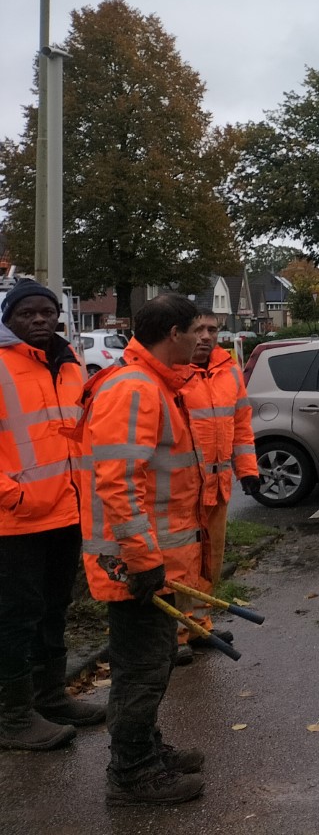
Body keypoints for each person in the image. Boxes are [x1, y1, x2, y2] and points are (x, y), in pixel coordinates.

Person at [80, 293, 207, 805]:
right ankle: (132, 775)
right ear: (172, 333)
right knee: (141, 667)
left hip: (147, 556)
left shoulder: (150, 381)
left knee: (151, 664)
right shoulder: (135, 388)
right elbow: (118, 481)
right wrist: (143, 558)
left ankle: (146, 750)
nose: (204, 340)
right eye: (195, 330)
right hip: (133, 562)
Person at [0, 279, 101, 753]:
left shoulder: (68, 365)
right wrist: (13, 496)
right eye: (27, 314)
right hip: (14, 521)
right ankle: (13, 717)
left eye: (47, 312)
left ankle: (51, 697)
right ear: (9, 319)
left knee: (53, 610)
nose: (39, 320)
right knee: (15, 618)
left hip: (65, 512)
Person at [174, 311, 259, 663]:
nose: (206, 336)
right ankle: (174, 634)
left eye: (212, 329)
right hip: (179, 490)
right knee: (178, 563)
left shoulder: (228, 372)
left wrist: (248, 471)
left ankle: (198, 625)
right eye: (198, 329)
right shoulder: (170, 375)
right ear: (179, 334)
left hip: (218, 486)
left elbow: (241, 426)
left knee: (210, 560)